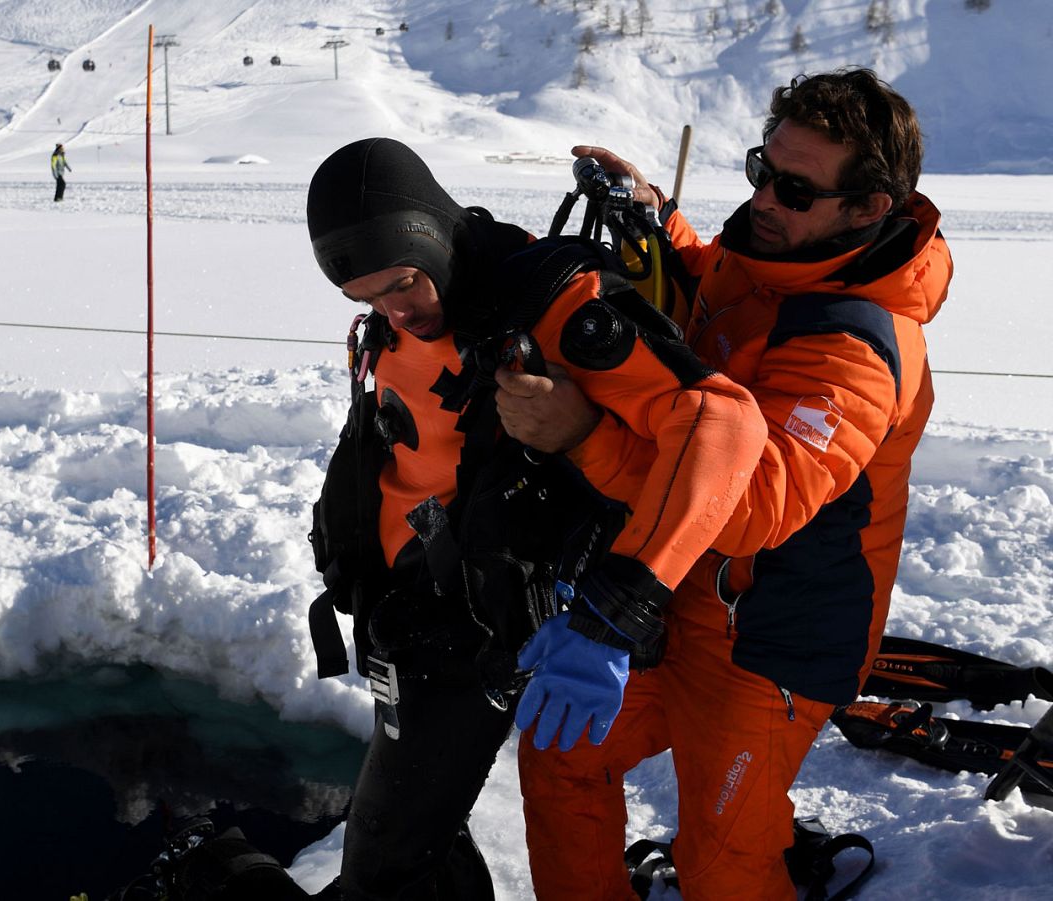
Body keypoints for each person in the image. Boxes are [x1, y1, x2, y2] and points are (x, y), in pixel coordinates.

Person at [502, 68, 953, 900]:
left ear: (868, 208)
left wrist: (582, 434)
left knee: (721, 863)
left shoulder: (855, 353)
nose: (764, 199)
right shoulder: (775, 253)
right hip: (675, 593)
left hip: (773, 638)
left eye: (794, 188)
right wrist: (655, 219)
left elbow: (746, 510)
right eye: (760, 169)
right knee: (561, 753)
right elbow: (712, 280)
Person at [304, 137, 768, 900]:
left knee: (385, 866)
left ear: (431, 233)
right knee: (415, 840)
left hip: (474, 635)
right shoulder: (407, 310)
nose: (394, 311)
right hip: (408, 615)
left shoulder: (554, 304)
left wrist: (618, 609)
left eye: (402, 284)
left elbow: (722, 420)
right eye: (368, 300)